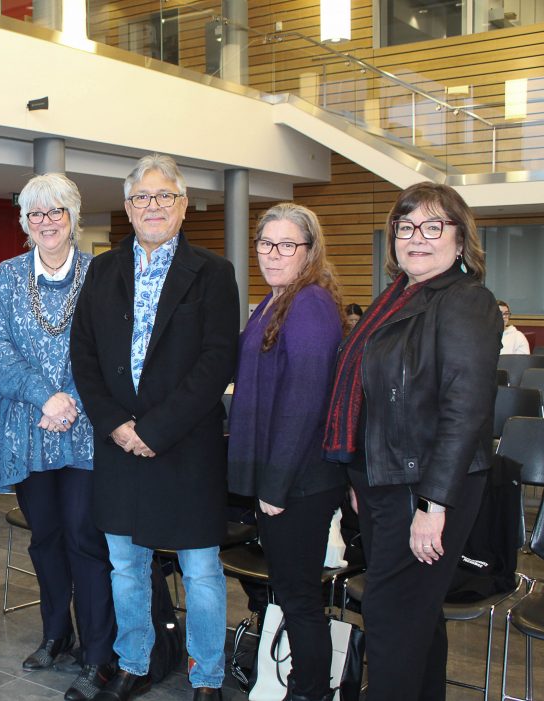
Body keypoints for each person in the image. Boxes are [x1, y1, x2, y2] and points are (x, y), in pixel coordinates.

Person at [323, 182, 502, 701]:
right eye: (406, 227)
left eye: (432, 226)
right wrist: (358, 473)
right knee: (414, 617)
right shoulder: (397, 298)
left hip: (425, 486)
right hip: (386, 482)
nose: (417, 238)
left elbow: (464, 411)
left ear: (460, 238)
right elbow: (371, 398)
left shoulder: (466, 301)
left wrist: (433, 503)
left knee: (391, 619)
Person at [70, 154, 239, 701]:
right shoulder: (102, 269)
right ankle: (134, 662)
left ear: (184, 205)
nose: (153, 206)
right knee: (125, 566)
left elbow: (217, 362)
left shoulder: (214, 273)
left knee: (202, 571)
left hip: (185, 447)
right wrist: (118, 425)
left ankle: (208, 677)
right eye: (142, 197)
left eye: (164, 195)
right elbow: (84, 355)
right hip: (118, 445)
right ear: (127, 207)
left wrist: (156, 430)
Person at [0, 173, 117, 700]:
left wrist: (70, 402)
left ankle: (98, 652)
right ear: (25, 222)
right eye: (35, 214)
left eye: (55, 212)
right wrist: (46, 398)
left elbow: (111, 352)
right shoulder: (7, 274)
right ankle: (55, 635)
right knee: (46, 540)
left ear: (72, 217)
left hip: (86, 432)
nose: (45, 222)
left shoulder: (102, 273)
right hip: (26, 430)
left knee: (87, 539)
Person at [228, 203, 346, 701]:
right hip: (280, 478)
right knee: (289, 589)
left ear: (309, 251)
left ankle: (309, 691)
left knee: (299, 598)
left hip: (299, 482)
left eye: (287, 245)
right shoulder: (272, 302)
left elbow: (305, 401)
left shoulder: (311, 304)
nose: (273, 254)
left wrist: (274, 487)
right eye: (265, 244)